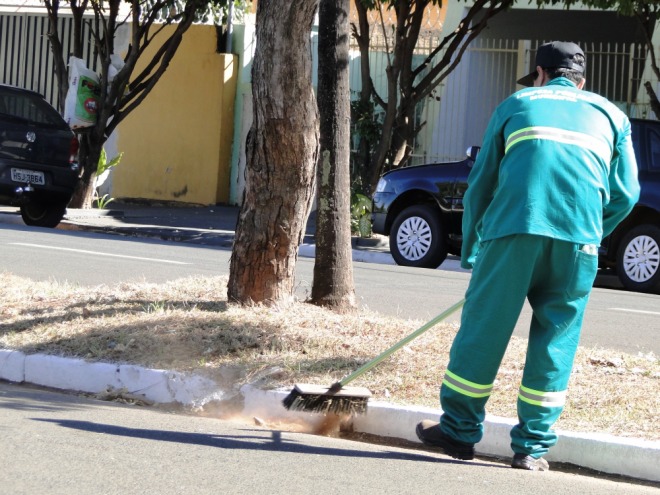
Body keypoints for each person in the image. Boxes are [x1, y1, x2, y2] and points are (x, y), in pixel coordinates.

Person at [416, 41, 640, 471]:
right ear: (582, 81)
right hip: (578, 241)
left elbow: (481, 183)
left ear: (539, 73)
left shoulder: (516, 102)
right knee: (556, 341)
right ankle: (532, 449)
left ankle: (460, 433)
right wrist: (594, 230)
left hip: (514, 229)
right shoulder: (613, 115)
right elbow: (627, 194)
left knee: (483, 331)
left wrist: (472, 247)